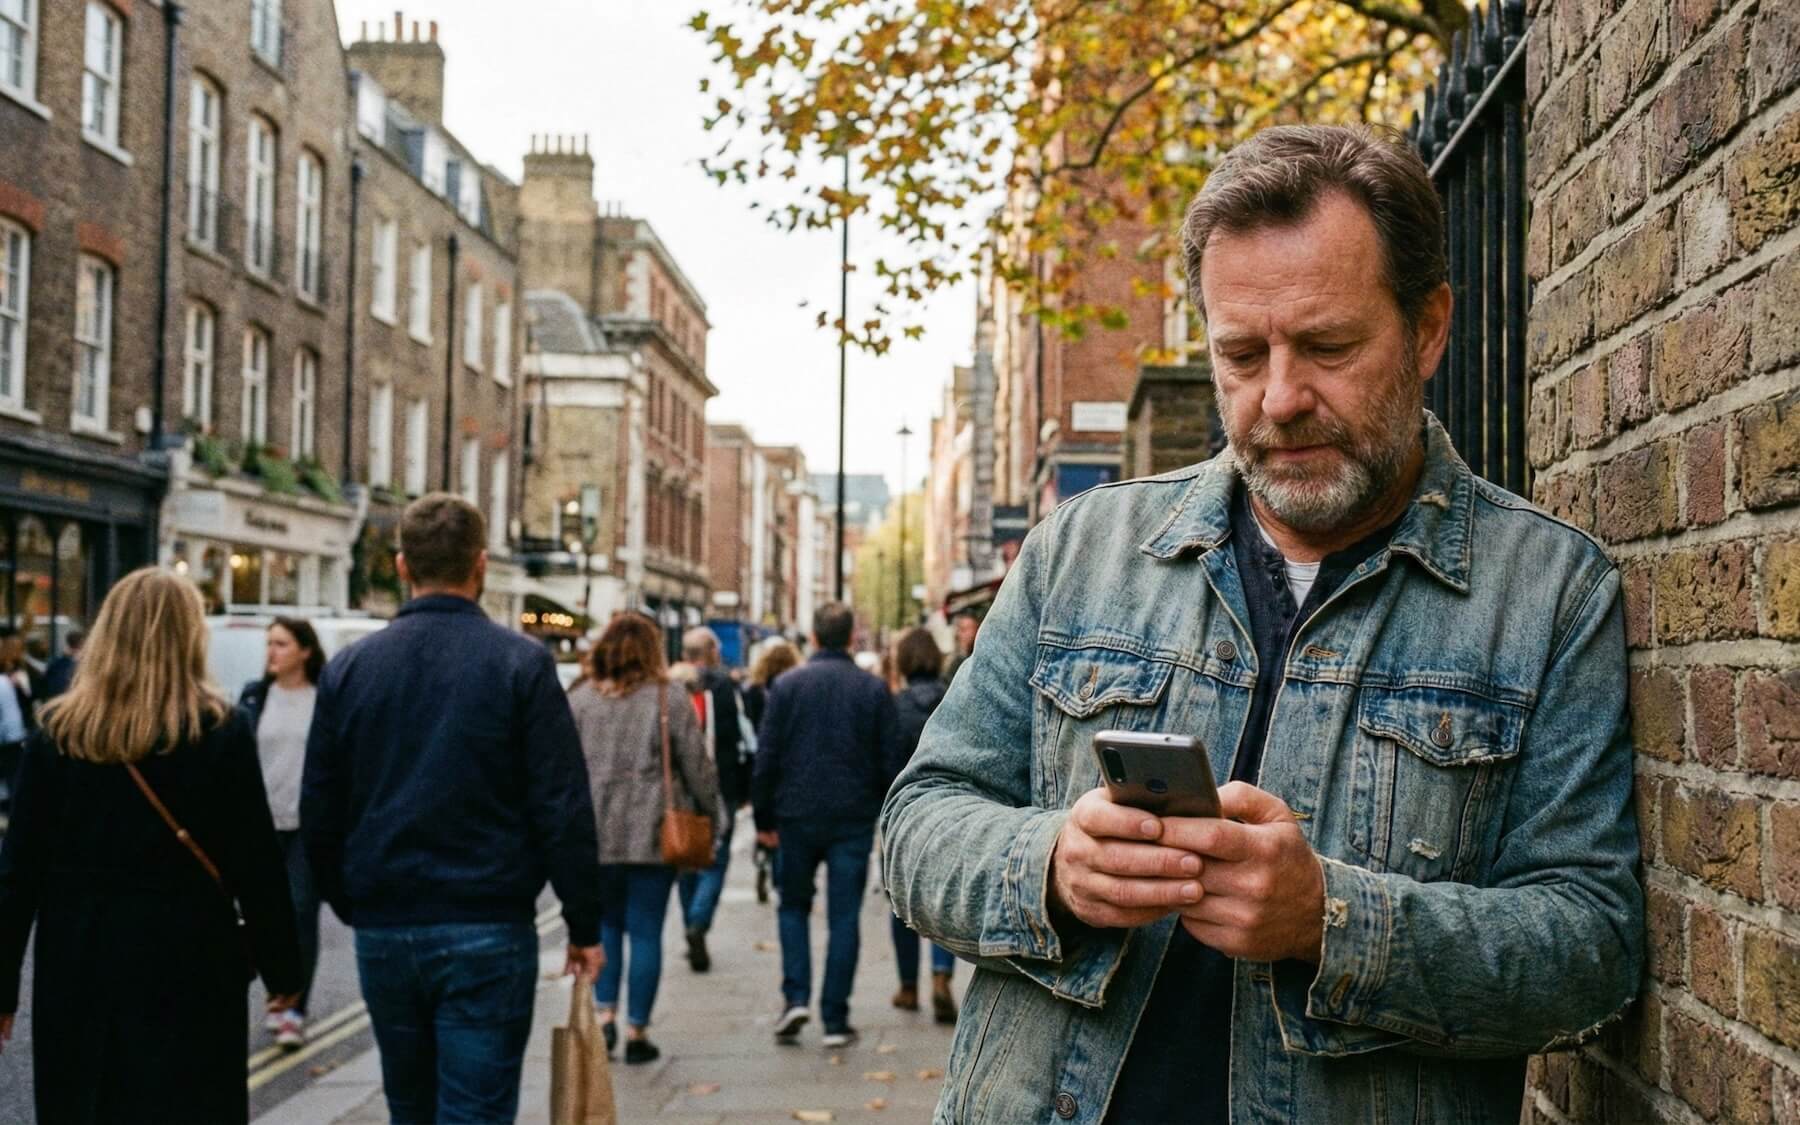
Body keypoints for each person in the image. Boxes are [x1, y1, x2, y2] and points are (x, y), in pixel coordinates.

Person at [881, 124, 1642, 1124]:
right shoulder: (1080, 551)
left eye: (1327, 347)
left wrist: (1332, 921)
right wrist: (1053, 866)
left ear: (1427, 328)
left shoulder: (1548, 594)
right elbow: (916, 824)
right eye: (1241, 354)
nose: (1279, 399)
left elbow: (1590, 949)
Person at [302, 494, 605, 1124]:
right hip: (487, 924)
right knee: (476, 1113)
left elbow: (320, 808)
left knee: (409, 1111)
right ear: (482, 565)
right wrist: (582, 923)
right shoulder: (521, 663)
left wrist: (352, 900)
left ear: (401, 566)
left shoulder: (351, 668)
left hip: (385, 927)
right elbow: (561, 804)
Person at [0, 568, 303, 1124]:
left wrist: (2, 991)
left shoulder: (59, 736)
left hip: (80, 962)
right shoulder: (219, 732)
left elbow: (17, 874)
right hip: (190, 961)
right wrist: (284, 975)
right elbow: (257, 866)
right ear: (189, 637)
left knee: (86, 1104)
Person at [569, 613, 719, 1064]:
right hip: (653, 836)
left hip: (593, 836)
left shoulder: (579, 700)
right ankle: (637, 1031)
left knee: (607, 927)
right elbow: (698, 768)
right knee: (646, 931)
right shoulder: (667, 697)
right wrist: (714, 816)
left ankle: (606, 1018)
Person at [752, 602, 903, 1048]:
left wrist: (764, 817)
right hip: (852, 818)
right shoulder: (873, 690)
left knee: (793, 907)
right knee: (843, 918)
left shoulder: (785, 686)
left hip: (795, 816)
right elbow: (891, 762)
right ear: (851, 638)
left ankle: (795, 997)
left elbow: (767, 758)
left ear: (814, 637)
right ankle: (835, 1019)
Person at [239, 617, 325, 1048]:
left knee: (300, 911)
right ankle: (275, 994)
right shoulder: (255, 697)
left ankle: (292, 1008)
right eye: (269, 643)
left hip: (306, 827)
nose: (272, 652)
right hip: (261, 825)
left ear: (305, 651)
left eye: (282, 644)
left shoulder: (322, 699)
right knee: (260, 916)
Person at [885, 627, 957, 1025]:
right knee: (941, 897)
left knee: (901, 902)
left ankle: (908, 986)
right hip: (949, 812)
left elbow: (885, 763)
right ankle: (941, 978)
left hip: (903, 815)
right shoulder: (953, 699)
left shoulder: (894, 706)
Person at [676, 625, 745, 973]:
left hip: (678, 793)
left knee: (685, 859)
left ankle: (691, 918)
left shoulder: (670, 685)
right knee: (715, 860)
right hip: (720, 786)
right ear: (711, 653)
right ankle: (698, 923)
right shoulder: (722, 687)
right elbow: (735, 739)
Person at [744, 638, 800, 904]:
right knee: (782, 824)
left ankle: (763, 856)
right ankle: (776, 869)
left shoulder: (754, 691)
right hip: (787, 764)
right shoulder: (795, 690)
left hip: (760, 759)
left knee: (764, 813)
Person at [941, 610, 980, 684]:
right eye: (960, 630)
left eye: (964, 629)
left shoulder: (983, 660)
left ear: (977, 630)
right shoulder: (957, 663)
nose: (959, 634)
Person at [41, 630, 82, 699]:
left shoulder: (56, 661)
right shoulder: (77, 663)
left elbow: (46, 681)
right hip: (68, 698)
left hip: (57, 699)